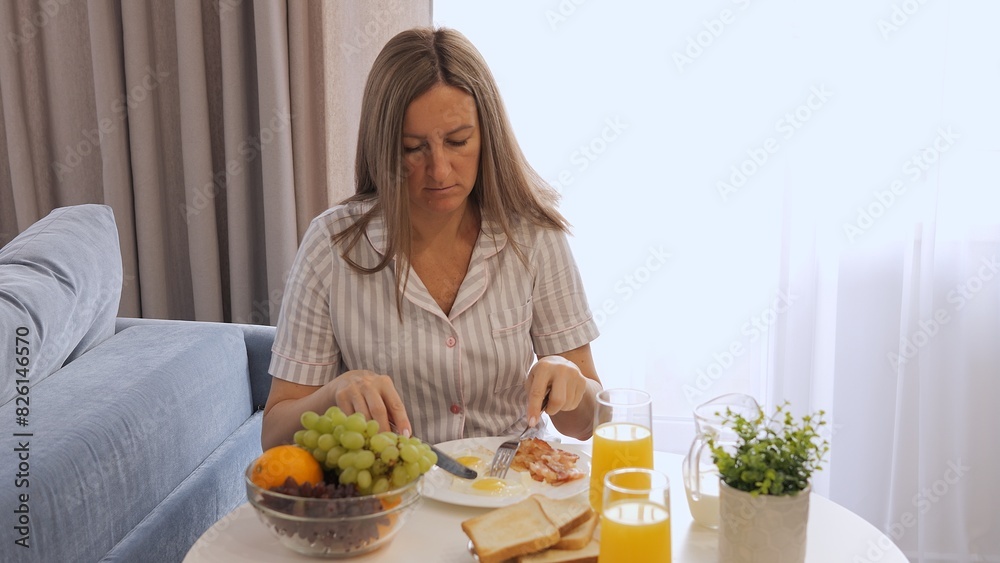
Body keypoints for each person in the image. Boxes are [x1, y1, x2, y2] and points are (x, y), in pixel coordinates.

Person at [261, 27, 602, 449]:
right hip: (394, 482)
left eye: (458, 142)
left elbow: (587, 424)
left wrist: (572, 384)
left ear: (488, 137)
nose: (439, 170)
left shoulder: (534, 236)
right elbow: (273, 436)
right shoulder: (331, 245)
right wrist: (333, 395)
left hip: (512, 479)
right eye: (412, 148)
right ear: (383, 148)